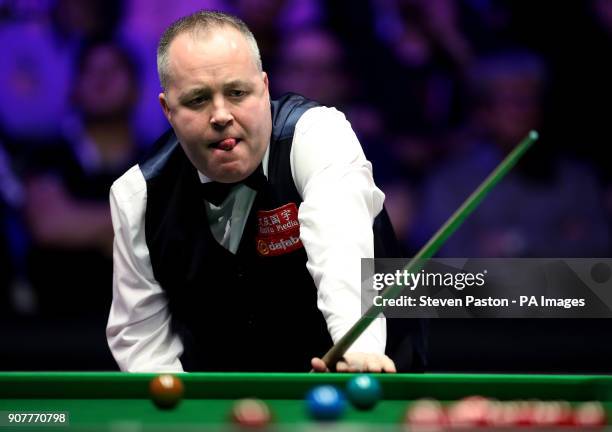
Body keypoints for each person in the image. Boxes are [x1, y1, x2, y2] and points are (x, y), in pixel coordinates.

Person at [107, 10, 424, 373]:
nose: (221, 114)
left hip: (368, 383)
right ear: (167, 109)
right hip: (223, 407)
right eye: (197, 100)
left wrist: (355, 345)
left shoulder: (317, 136)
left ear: (265, 87)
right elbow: (140, 336)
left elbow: (340, 246)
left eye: (237, 92)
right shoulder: (138, 195)